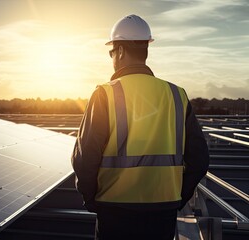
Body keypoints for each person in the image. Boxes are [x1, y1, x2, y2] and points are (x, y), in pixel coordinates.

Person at [71, 14, 209, 240]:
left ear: (121, 51)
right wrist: (178, 197)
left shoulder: (105, 94)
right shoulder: (176, 95)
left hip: (114, 211)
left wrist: (91, 200)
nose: (111, 57)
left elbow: (85, 157)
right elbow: (200, 158)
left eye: (111, 52)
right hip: (162, 213)